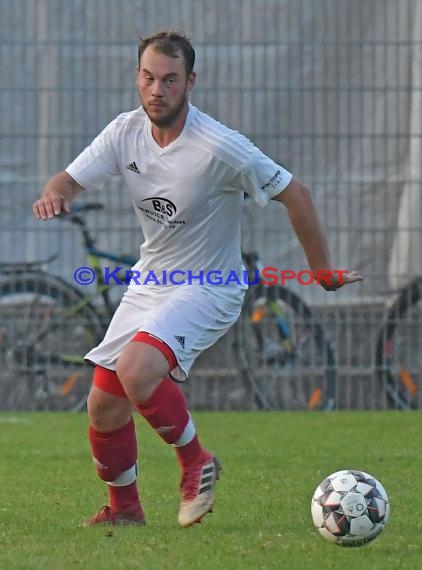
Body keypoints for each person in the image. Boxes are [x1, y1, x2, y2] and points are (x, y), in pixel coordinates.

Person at [32, 30, 362, 528]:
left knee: (137, 368)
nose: (156, 90)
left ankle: (196, 462)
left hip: (211, 285)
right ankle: (125, 511)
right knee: (102, 404)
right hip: (151, 282)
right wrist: (55, 194)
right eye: (148, 78)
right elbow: (68, 179)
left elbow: (298, 194)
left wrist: (322, 272)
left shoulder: (220, 146)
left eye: (169, 79)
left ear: (191, 82)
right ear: (137, 77)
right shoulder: (124, 132)